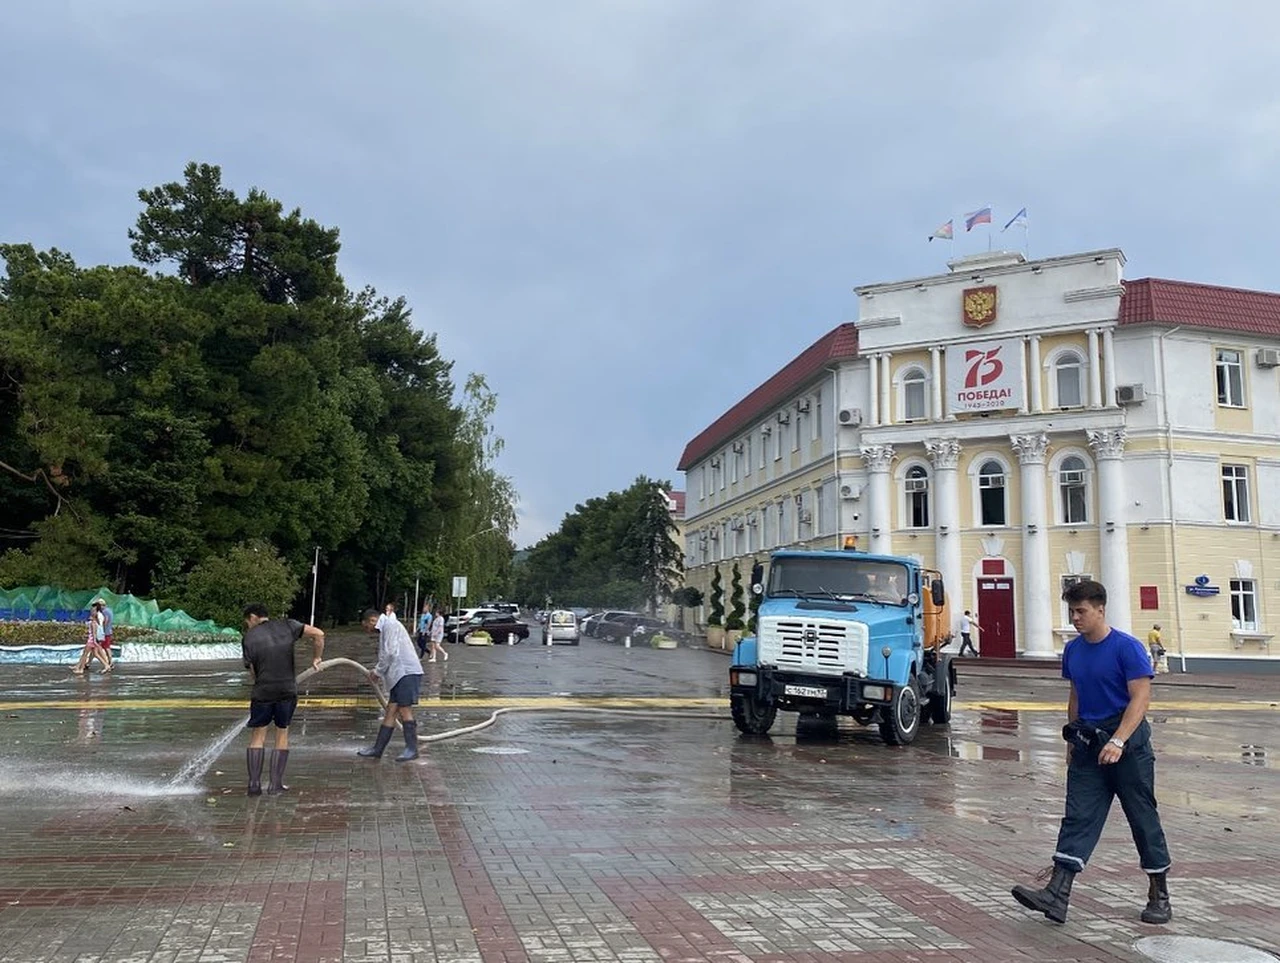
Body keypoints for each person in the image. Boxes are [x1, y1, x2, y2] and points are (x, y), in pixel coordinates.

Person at [1011, 579, 1172, 925]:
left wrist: (1119, 741)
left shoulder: (1126, 648)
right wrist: (1072, 743)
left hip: (1128, 747)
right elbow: (1076, 696)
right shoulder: (1073, 650)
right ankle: (1057, 895)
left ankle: (1159, 893)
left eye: (1081, 611)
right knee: (1078, 816)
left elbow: (1141, 699)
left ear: (1101, 609)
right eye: (1071, 611)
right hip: (1088, 745)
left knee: (1142, 817)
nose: (1075, 618)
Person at [241, 603, 325, 796]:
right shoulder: (288, 625)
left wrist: (261, 682)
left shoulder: (249, 638)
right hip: (287, 689)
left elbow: (252, 670)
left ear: (253, 617)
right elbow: (319, 634)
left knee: (258, 735)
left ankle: (254, 785)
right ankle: (275, 785)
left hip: (263, 691)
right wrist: (316, 658)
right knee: (282, 733)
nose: (248, 625)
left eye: (247, 621)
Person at [358, 606, 424, 762]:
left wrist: (377, 672)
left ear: (372, 620)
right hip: (399, 675)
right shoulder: (386, 627)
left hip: (406, 673)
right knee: (391, 711)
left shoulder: (390, 625)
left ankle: (412, 749)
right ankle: (378, 749)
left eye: (367, 626)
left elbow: (390, 652)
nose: (368, 630)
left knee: (404, 710)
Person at [72, 602, 111, 675]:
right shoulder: (95, 621)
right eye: (91, 611)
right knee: (95, 654)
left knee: (85, 654)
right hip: (93, 640)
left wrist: (95, 641)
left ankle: (81, 669)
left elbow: (94, 633)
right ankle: (106, 665)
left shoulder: (94, 622)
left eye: (93, 611)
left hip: (91, 641)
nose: (91, 613)